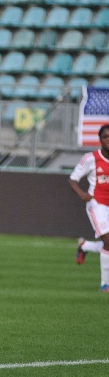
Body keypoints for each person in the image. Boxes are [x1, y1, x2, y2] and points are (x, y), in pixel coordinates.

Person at [70, 124, 109, 291]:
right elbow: (72, 179)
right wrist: (81, 194)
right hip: (96, 204)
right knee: (108, 241)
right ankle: (105, 284)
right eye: (106, 137)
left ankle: (85, 246)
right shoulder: (91, 158)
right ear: (100, 140)